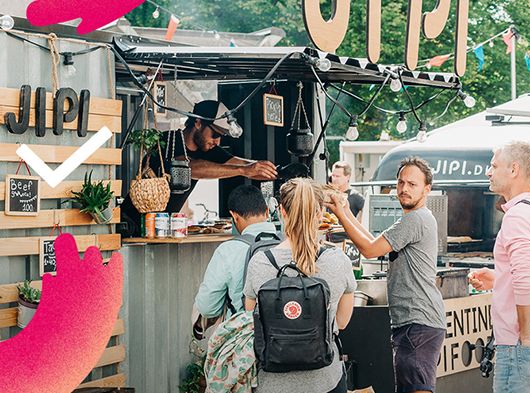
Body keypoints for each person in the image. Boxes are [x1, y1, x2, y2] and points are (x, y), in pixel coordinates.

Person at [326, 156, 445, 393]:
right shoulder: (414, 219)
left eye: (412, 184)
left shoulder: (416, 219)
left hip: (417, 322)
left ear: (427, 189)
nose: (404, 189)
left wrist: (340, 214)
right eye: (401, 183)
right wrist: (347, 211)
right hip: (416, 323)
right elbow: (373, 241)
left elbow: (369, 250)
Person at [243, 178, 356, 393]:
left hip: (272, 384)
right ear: (320, 214)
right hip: (325, 381)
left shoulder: (260, 261)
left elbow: (252, 321)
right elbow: (340, 323)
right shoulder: (338, 261)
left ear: (282, 212)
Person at [468, 141, 530, 393]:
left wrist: (527, 334)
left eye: (494, 165)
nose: (488, 171)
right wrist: (499, 279)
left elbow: (526, 279)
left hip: (522, 348)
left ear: (514, 169)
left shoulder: (517, 216)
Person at [120, 100, 278, 236]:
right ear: (198, 123)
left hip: (159, 229)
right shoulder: (169, 141)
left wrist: (266, 170)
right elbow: (189, 168)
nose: (217, 142)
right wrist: (244, 171)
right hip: (131, 224)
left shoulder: (208, 149)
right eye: (215, 135)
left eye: (221, 137)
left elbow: (241, 164)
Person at [194, 185, 277, 317]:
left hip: (247, 333)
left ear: (234, 216)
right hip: (292, 330)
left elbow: (207, 308)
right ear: (267, 211)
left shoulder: (228, 250)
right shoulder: (289, 243)